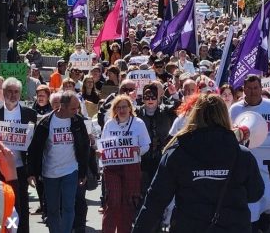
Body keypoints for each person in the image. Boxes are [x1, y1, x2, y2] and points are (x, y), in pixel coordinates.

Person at [133, 93, 264, 232]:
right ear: (224, 115)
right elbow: (255, 193)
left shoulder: (178, 152)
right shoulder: (242, 154)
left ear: (195, 115)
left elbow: (156, 201)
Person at [28, 91, 90, 233]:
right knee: (52, 209)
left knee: (69, 206)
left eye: (77, 108)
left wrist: (83, 171)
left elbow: (84, 146)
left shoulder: (77, 121)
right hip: (50, 173)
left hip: (71, 171)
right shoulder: (45, 122)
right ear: (62, 106)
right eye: (73, 108)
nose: (76, 111)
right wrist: (31, 172)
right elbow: (35, 148)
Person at [0, 78, 38, 233]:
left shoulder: (29, 114)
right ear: (3, 93)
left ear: (20, 94)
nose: (13, 95)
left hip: (20, 169)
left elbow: (34, 147)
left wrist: (32, 172)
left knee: (21, 206)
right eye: (9, 91)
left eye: (16, 92)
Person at [100, 94, 150, 233]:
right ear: (115, 109)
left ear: (130, 108)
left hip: (131, 167)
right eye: (118, 107)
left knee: (128, 204)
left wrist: (138, 150)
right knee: (113, 202)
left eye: (124, 107)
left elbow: (146, 145)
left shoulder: (138, 123)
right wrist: (101, 153)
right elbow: (103, 145)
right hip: (112, 168)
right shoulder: (110, 124)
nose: (121, 110)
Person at [136, 83, 177, 195]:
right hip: (142, 157)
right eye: (147, 96)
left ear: (158, 98)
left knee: (160, 186)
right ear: (142, 98)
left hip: (162, 155)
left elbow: (179, 107)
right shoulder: (136, 112)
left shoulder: (166, 111)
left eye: (153, 96)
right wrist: (131, 98)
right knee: (143, 187)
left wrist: (174, 93)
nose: (150, 99)